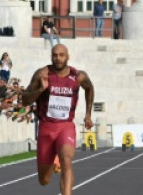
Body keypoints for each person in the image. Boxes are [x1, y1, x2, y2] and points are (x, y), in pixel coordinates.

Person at [21, 45, 95, 195]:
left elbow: (89, 88)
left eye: (61, 55)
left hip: (65, 126)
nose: (58, 58)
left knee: (67, 161)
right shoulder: (42, 74)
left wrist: (88, 114)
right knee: (44, 180)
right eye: (55, 55)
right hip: (46, 128)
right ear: (51, 56)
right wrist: (41, 89)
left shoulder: (78, 76)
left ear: (68, 56)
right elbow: (24, 100)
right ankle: (55, 157)